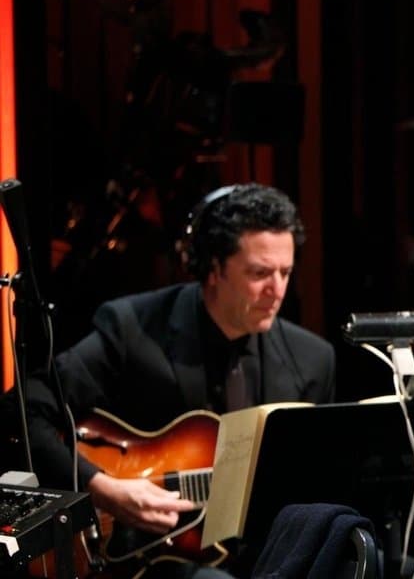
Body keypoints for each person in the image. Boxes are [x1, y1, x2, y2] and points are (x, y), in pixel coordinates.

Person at [24, 183, 334, 575]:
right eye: (259, 273)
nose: (277, 290)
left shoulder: (313, 360)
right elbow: (23, 410)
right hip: (143, 556)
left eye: (285, 272)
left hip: (260, 555)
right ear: (213, 268)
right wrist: (102, 488)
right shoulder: (132, 329)